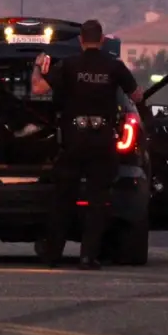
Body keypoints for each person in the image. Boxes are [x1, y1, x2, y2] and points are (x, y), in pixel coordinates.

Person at [30, 19, 144, 269]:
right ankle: (87, 256)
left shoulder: (68, 65)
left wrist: (38, 67)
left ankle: (53, 255)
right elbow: (137, 96)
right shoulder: (114, 67)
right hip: (102, 141)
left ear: (81, 41)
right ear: (102, 40)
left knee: (63, 199)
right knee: (97, 201)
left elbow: (38, 89)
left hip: (73, 141)